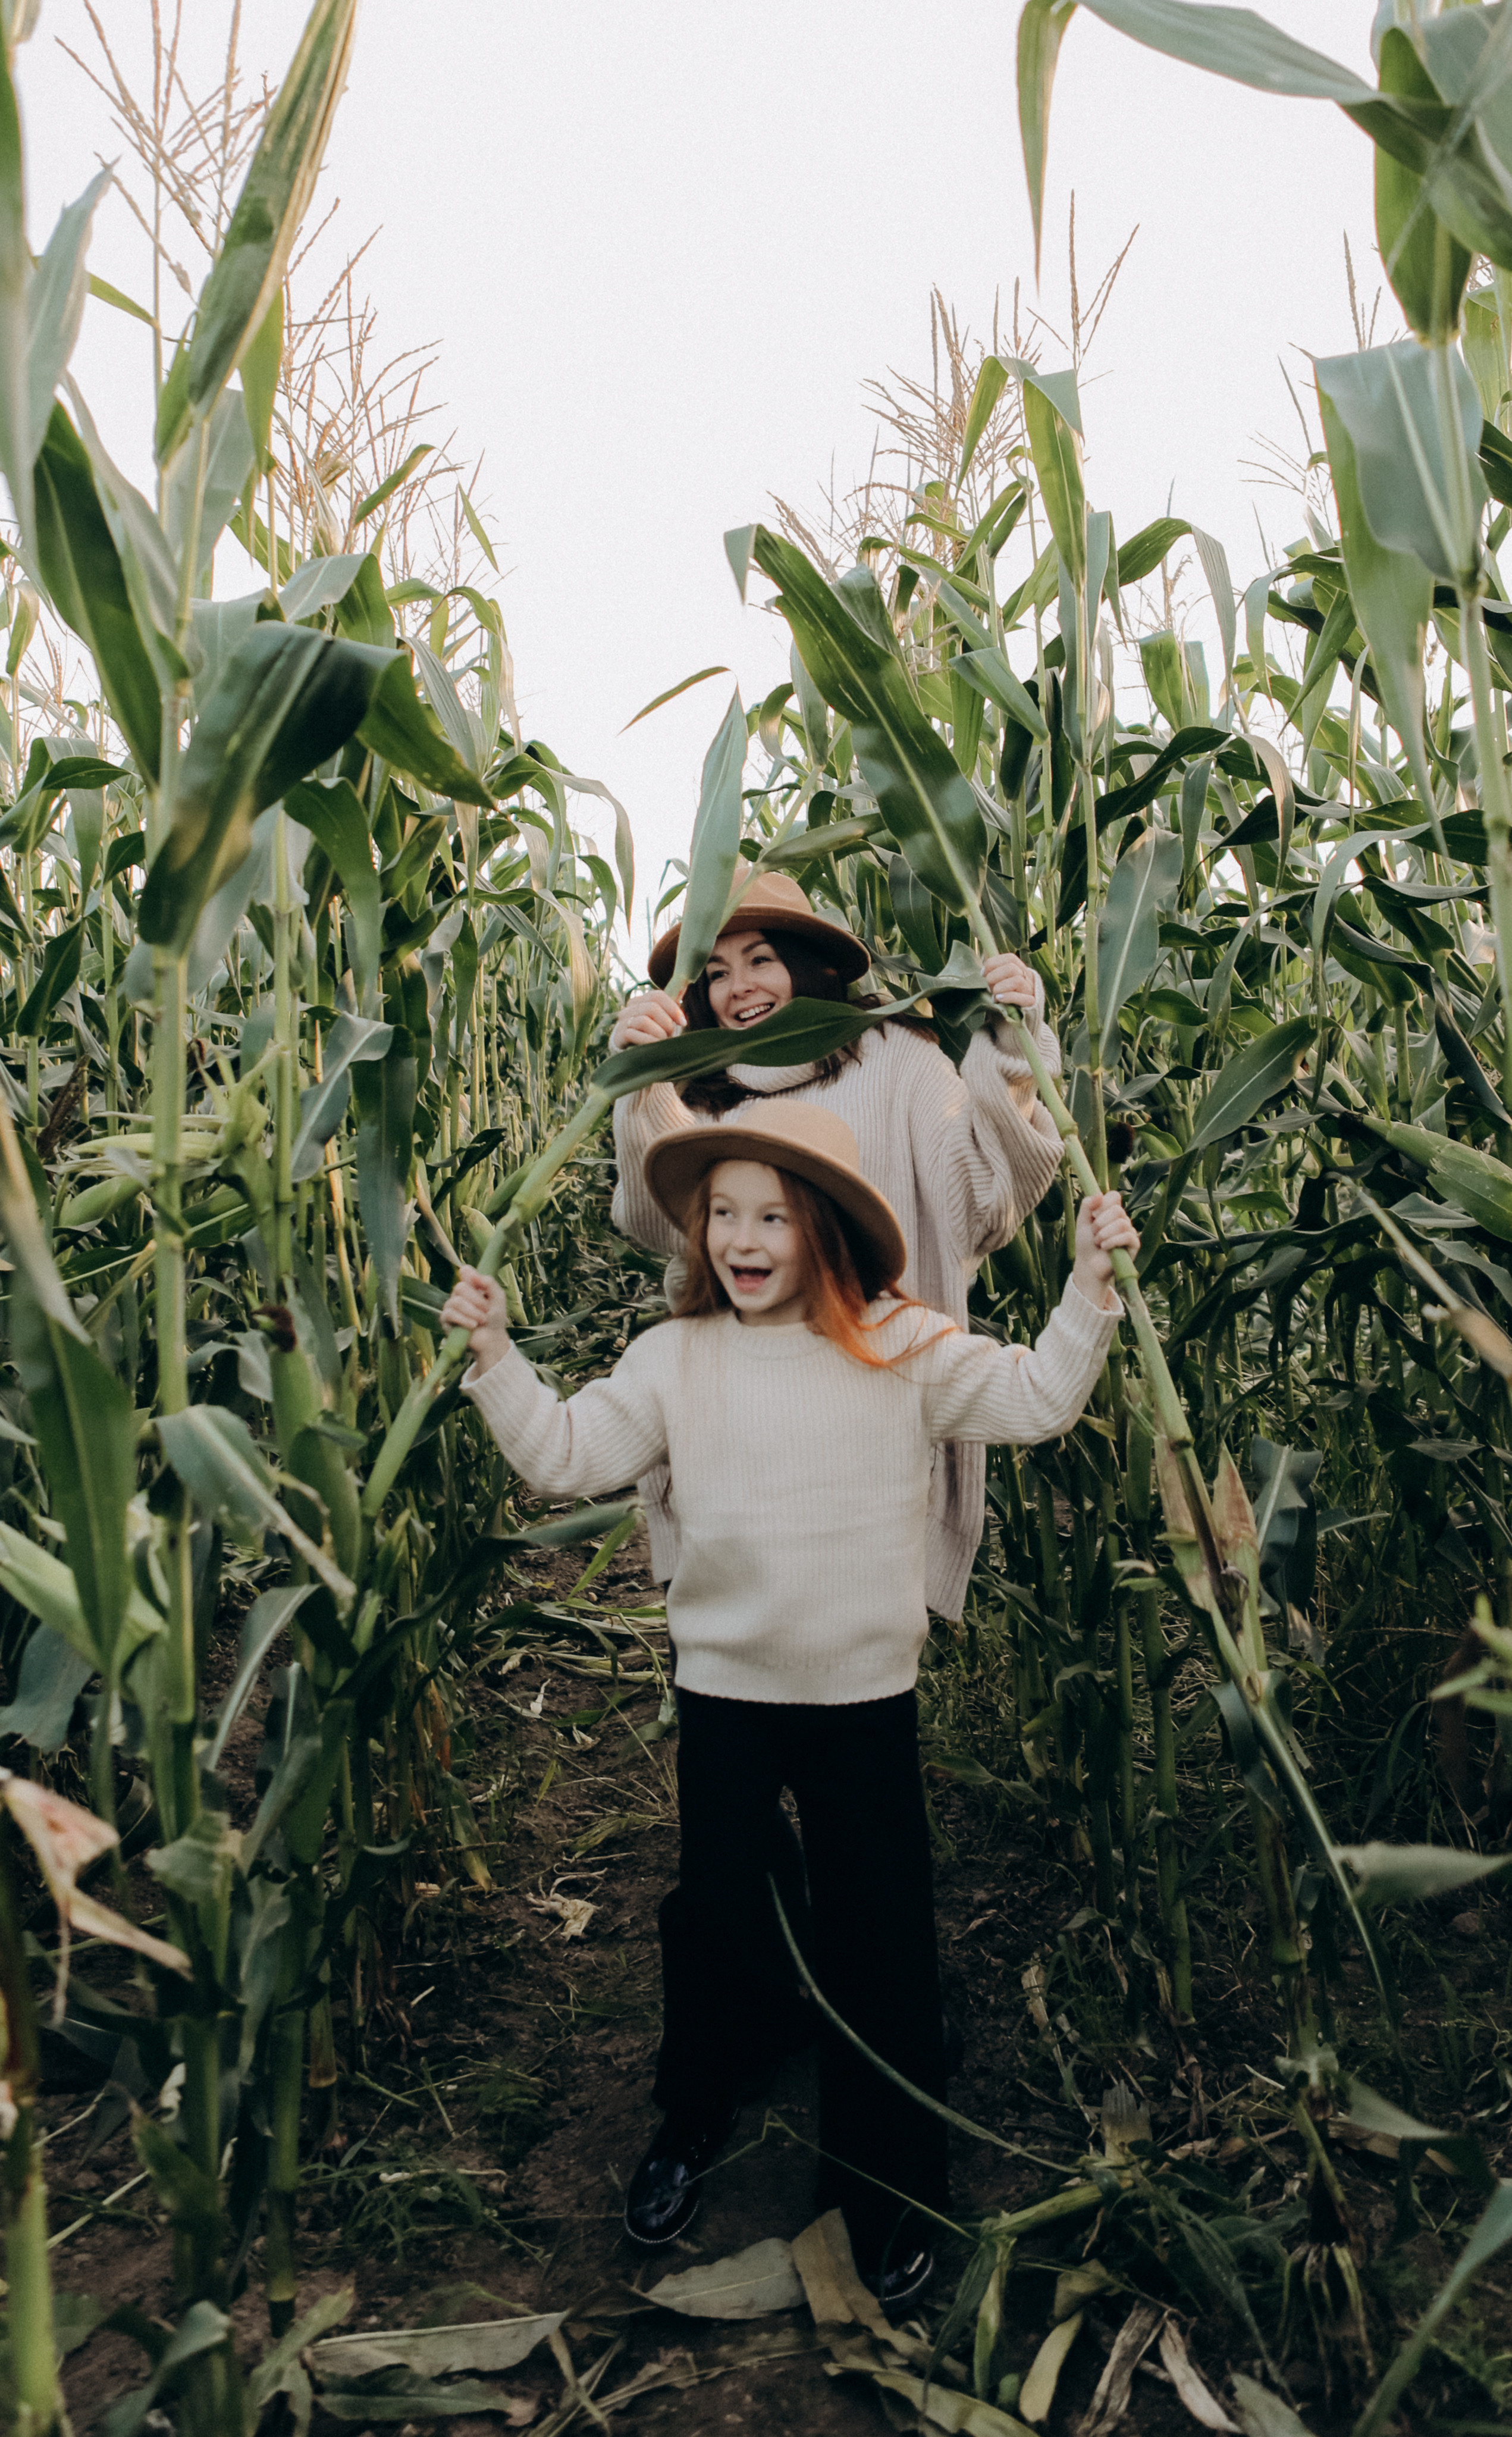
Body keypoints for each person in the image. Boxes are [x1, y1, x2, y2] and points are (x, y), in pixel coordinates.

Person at [441, 1100, 1137, 2305]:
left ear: (825, 1229)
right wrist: (497, 1358)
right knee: (718, 1917)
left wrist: (1085, 1287)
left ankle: (885, 2180)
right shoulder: (673, 1359)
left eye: (771, 1215)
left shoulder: (903, 1347)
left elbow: (1035, 1400)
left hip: (863, 1697)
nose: (741, 1238)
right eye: (723, 1213)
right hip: (724, 1693)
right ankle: (692, 2110)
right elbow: (563, 1457)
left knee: (879, 1937)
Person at [607, 870, 1064, 1622]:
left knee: (852, 1652)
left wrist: (1014, 1048)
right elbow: (662, 1230)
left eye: (760, 959)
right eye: (715, 973)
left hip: (870, 1417)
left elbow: (982, 1203)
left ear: (809, 964)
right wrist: (641, 1084)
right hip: (737, 1423)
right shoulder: (699, 1094)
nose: (738, 988)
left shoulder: (894, 1059)